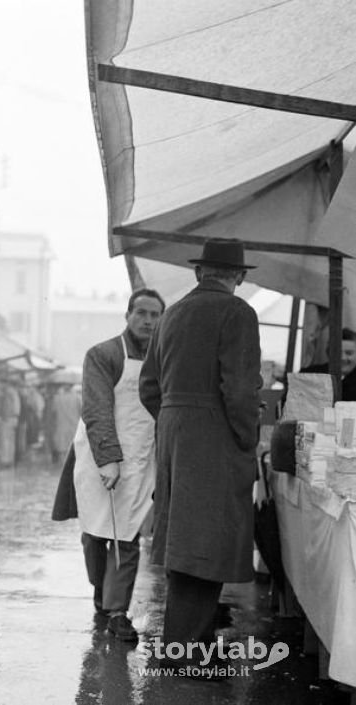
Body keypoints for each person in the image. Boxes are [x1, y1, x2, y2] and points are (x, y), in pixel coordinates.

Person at [139, 239, 263, 676]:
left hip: (175, 435)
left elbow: (148, 387)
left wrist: (176, 419)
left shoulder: (170, 313)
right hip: (214, 437)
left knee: (184, 542)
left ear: (198, 273)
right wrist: (247, 438)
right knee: (207, 541)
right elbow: (241, 390)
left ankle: (192, 643)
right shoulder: (238, 313)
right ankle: (186, 654)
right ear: (240, 277)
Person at [72, 288, 165, 640]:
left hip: (142, 459)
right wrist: (108, 459)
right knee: (95, 535)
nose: (148, 321)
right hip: (100, 454)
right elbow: (96, 408)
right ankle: (102, 591)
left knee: (127, 535)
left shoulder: (164, 360)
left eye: (155, 315)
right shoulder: (103, 354)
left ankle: (117, 612)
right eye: (141, 313)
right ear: (127, 315)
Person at [300, 328, 356, 400]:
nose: (343, 358)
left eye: (349, 353)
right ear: (328, 352)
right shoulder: (308, 374)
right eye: (337, 352)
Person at [50, 384, 81, 464]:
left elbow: (53, 412)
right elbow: (82, 410)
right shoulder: (77, 397)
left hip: (61, 425)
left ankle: (62, 467)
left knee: (62, 448)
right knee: (73, 448)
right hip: (74, 425)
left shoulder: (57, 398)